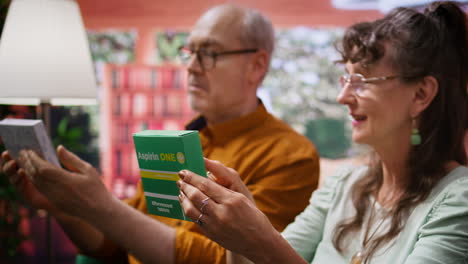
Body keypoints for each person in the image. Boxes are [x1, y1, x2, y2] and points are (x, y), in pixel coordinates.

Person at [0, 4, 320, 264]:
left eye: (209, 53)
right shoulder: (185, 138)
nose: (192, 67)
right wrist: (61, 206)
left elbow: (230, 259)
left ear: (257, 65)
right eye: (189, 52)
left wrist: (103, 205)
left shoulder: (290, 155)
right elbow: (113, 244)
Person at [175, 1, 468, 263]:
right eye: (346, 78)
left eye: (363, 80)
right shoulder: (342, 187)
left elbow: (271, 252)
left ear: (420, 94)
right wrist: (239, 238)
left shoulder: (458, 199)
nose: (343, 97)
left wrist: (260, 237)